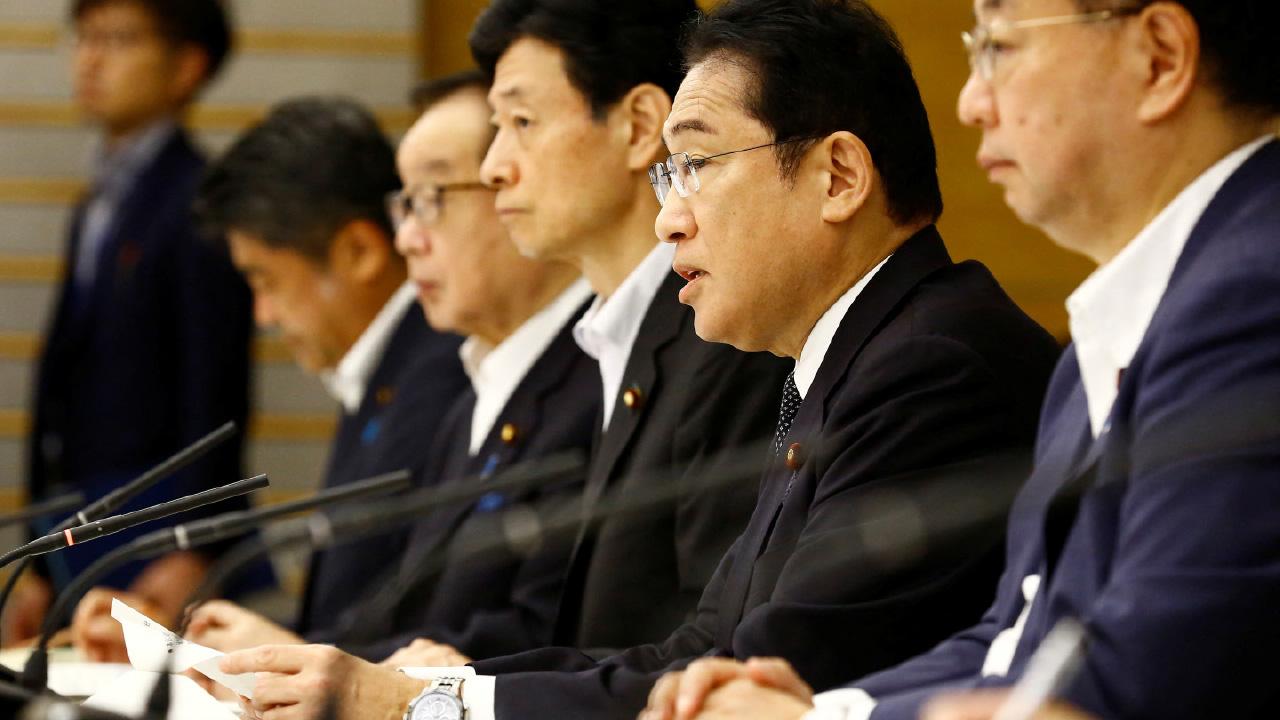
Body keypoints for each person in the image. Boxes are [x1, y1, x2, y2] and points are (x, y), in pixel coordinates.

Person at [216, 1, 1062, 718]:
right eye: (670, 176)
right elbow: (698, 648)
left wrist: (416, 703)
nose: (671, 219)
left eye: (696, 165)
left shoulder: (932, 367)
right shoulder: (853, 358)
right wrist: (437, 690)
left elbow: (762, 679)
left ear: (838, 175)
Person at [655, 0, 1280, 718]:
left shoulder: (1251, 300)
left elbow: (1147, 675)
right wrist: (826, 712)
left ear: (1160, 58)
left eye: (999, 47)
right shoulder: (1113, 333)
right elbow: (1013, 640)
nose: (970, 102)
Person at [185, 71, 601, 665]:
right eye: (405, 205)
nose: (406, 238)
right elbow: (403, 615)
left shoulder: (450, 374)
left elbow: (536, 632)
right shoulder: (474, 378)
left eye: (430, 200)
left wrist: (300, 657)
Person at [65, 96, 470, 661]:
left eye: (265, 280)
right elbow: (353, 624)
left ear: (358, 251)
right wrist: (176, 646)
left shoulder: (440, 378)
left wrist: (197, 652)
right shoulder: (390, 369)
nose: (264, 315)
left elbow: (416, 641)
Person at [12, 0, 254, 646]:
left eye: (117, 39)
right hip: (78, 530)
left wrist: (196, 545)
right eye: (83, 37)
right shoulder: (98, 197)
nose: (90, 59)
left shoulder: (201, 199)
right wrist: (38, 557)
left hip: (155, 540)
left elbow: (216, 390)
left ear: (187, 66)